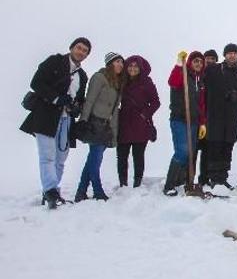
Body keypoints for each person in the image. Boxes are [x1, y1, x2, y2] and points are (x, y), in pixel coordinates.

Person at [21, 37, 90, 208]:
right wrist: (57, 98)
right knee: (47, 155)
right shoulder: (54, 61)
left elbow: (80, 99)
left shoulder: (82, 75)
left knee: (61, 157)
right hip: (46, 116)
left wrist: (77, 108)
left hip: (66, 119)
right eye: (79, 48)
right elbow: (36, 83)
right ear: (72, 47)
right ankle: (50, 190)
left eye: (85, 51)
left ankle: (53, 192)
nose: (81, 52)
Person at [75, 52, 125, 202]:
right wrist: (83, 120)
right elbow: (89, 100)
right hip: (94, 123)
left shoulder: (116, 83)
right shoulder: (99, 77)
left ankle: (81, 192)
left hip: (105, 126)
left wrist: (114, 131)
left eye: (122, 62)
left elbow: (114, 110)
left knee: (92, 159)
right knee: (95, 159)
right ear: (110, 63)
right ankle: (98, 191)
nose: (120, 65)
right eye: (117, 62)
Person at [203, 43, 237, 189]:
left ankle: (223, 178)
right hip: (214, 116)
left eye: (235, 53)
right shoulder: (213, 69)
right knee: (214, 147)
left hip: (232, 117)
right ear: (224, 55)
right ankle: (213, 178)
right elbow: (201, 85)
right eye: (229, 53)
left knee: (227, 147)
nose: (232, 55)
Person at [164, 51, 206, 196]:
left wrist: (202, 123)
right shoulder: (183, 74)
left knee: (190, 153)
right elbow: (172, 82)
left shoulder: (199, 81)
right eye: (195, 61)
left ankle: (182, 181)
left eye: (200, 62)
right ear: (190, 62)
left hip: (194, 122)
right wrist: (178, 64)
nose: (198, 64)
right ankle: (169, 185)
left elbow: (201, 105)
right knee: (182, 152)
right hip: (180, 120)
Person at [117, 55, 160, 188]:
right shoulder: (121, 80)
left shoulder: (147, 82)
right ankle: (123, 184)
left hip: (140, 125)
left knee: (138, 155)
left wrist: (144, 114)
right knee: (122, 155)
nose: (133, 68)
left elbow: (156, 102)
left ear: (140, 68)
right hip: (123, 122)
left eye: (136, 66)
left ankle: (137, 183)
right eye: (130, 65)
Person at [196, 50, 218, 185]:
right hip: (198, 118)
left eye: (212, 59)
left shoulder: (218, 75)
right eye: (207, 58)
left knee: (208, 151)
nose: (209, 61)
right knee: (192, 150)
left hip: (212, 119)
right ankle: (187, 178)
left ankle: (205, 178)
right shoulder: (198, 74)